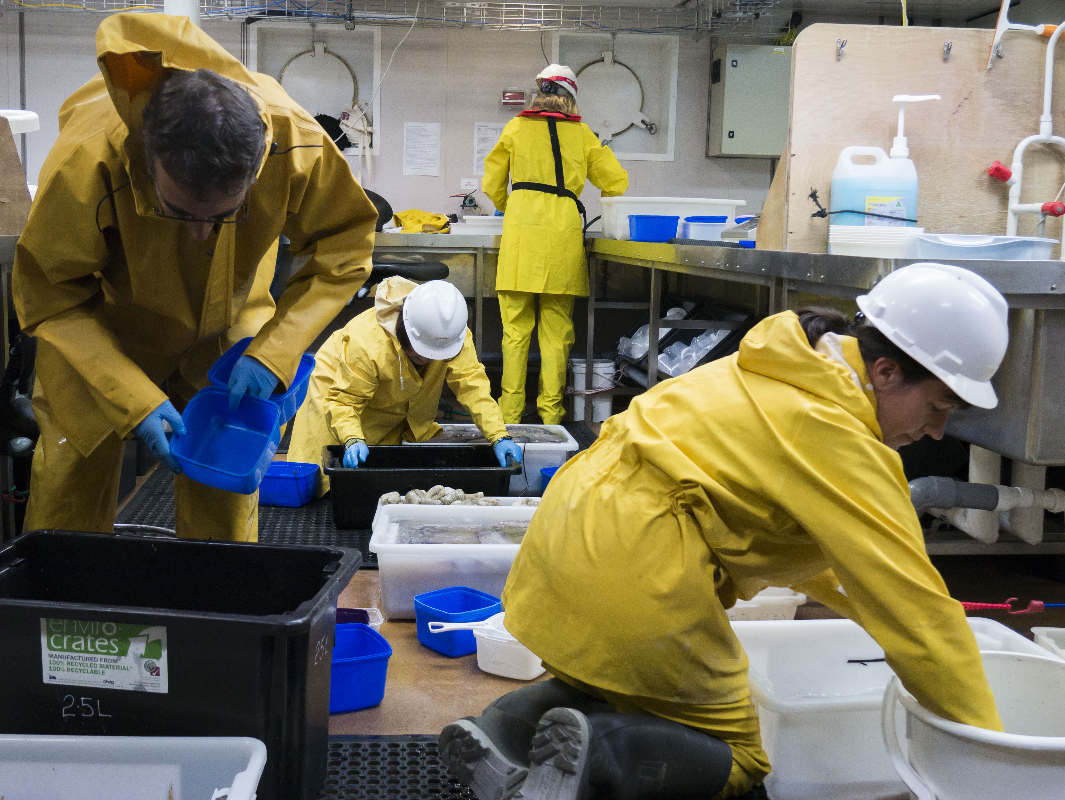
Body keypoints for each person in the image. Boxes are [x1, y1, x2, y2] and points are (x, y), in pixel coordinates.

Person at [440, 263, 1010, 800]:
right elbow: (916, 612)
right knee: (738, 756)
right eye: (936, 407)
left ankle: (506, 728)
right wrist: (995, 753)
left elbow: (834, 564)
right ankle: (604, 760)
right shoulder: (838, 434)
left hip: (562, 536)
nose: (936, 431)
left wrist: (874, 610)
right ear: (885, 372)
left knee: (613, 680)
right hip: (637, 568)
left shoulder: (776, 364)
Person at [13, 14, 378, 541]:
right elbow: (48, 294)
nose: (203, 234)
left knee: (225, 487)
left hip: (227, 320)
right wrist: (130, 395)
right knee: (70, 488)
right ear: (149, 159)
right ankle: (67, 613)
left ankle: (215, 613)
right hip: (105, 326)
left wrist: (275, 351)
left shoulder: (294, 145)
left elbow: (345, 250)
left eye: (225, 214)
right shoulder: (88, 161)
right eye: (179, 213)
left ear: (257, 170)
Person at [483, 64, 628, 425]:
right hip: (562, 237)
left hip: (520, 237)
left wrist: (511, 206)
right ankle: (551, 417)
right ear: (570, 99)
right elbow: (617, 183)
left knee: (514, 334)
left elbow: (491, 183)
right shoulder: (583, 135)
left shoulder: (515, 128)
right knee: (557, 334)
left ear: (539, 96)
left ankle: (510, 418)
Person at [288, 277, 522, 490]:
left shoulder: (450, 336)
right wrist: (352, 438)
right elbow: (344, 402)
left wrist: (499, 435)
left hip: (389, 405)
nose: (428, 359)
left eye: (436, 354)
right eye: (422, 352)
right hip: (337, 392)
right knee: (324, 482)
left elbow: (473, 388)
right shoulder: (368, 343)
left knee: (375, 484)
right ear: (405, 329)